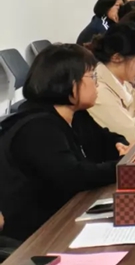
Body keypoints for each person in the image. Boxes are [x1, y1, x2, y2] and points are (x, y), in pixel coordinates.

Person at [0, 44, 125, 242]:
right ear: (69, 82)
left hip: (69, 212)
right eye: (92, 77)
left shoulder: (77, 115)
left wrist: (120, 145)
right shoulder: (38, 127)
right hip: (38, 233)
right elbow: (74, 177)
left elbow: (109, 139)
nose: (97, 84)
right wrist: (124, 167)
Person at [88, 22, 135, 142]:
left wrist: (132, 124)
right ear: (117, 57)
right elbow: (133, 137)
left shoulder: (123, 82)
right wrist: (132, 126)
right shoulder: (98, 90)